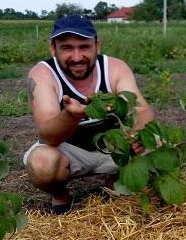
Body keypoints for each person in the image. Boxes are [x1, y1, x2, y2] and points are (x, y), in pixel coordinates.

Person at [24, 15, 154, 214]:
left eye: (84, 47)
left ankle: (116, 180)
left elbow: (141, 110)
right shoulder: (43, 74)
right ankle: (61, 195)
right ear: (53, 49)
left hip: (115, 147)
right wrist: (71, 116)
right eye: (67, 48)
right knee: (41, 164)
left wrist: (137, 136)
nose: (77, 57)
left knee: (156, 142)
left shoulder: (115, 68)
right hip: (70, 150)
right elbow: (48, 135)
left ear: (97, 46)